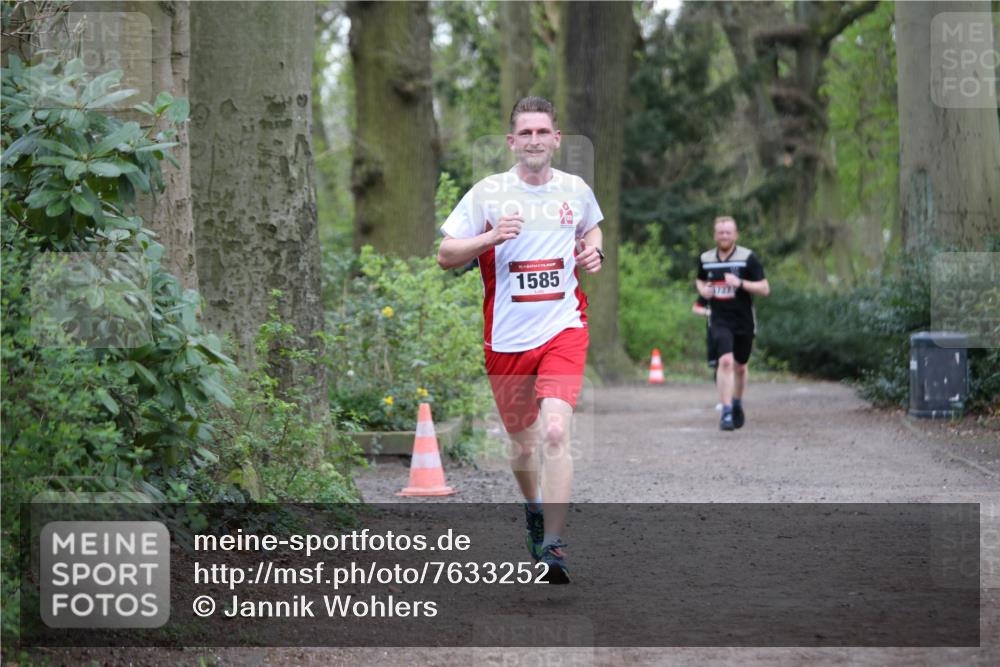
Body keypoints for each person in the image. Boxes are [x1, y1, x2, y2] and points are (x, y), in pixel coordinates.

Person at [437, 96, 603, 584]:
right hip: (506, 340)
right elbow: (446, 254)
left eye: (542, 132)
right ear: (512, 142)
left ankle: (554, 545)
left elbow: (592, 233)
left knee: (554, 432)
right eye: (524, 133)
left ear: (556, 139)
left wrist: (594, 254)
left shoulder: (575, 190)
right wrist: (489, 239)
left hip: (563, 329)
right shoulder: (488, 193)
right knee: (522, 445)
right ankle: (532, 507)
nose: (534, 140)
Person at [695, 216, 769, 431]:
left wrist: (741, 283)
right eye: (720, 232)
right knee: (725, 361)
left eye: (728, 232)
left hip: (743, 320)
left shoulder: (748, 258)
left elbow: (765, 288)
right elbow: (700, 279)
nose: (724, 236)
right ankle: (726, 412)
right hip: (719, 319)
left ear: (736, 234)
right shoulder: (706, 258)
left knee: (740, 366)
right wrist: (703, 290)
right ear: (715, 235)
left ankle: (737, 403)